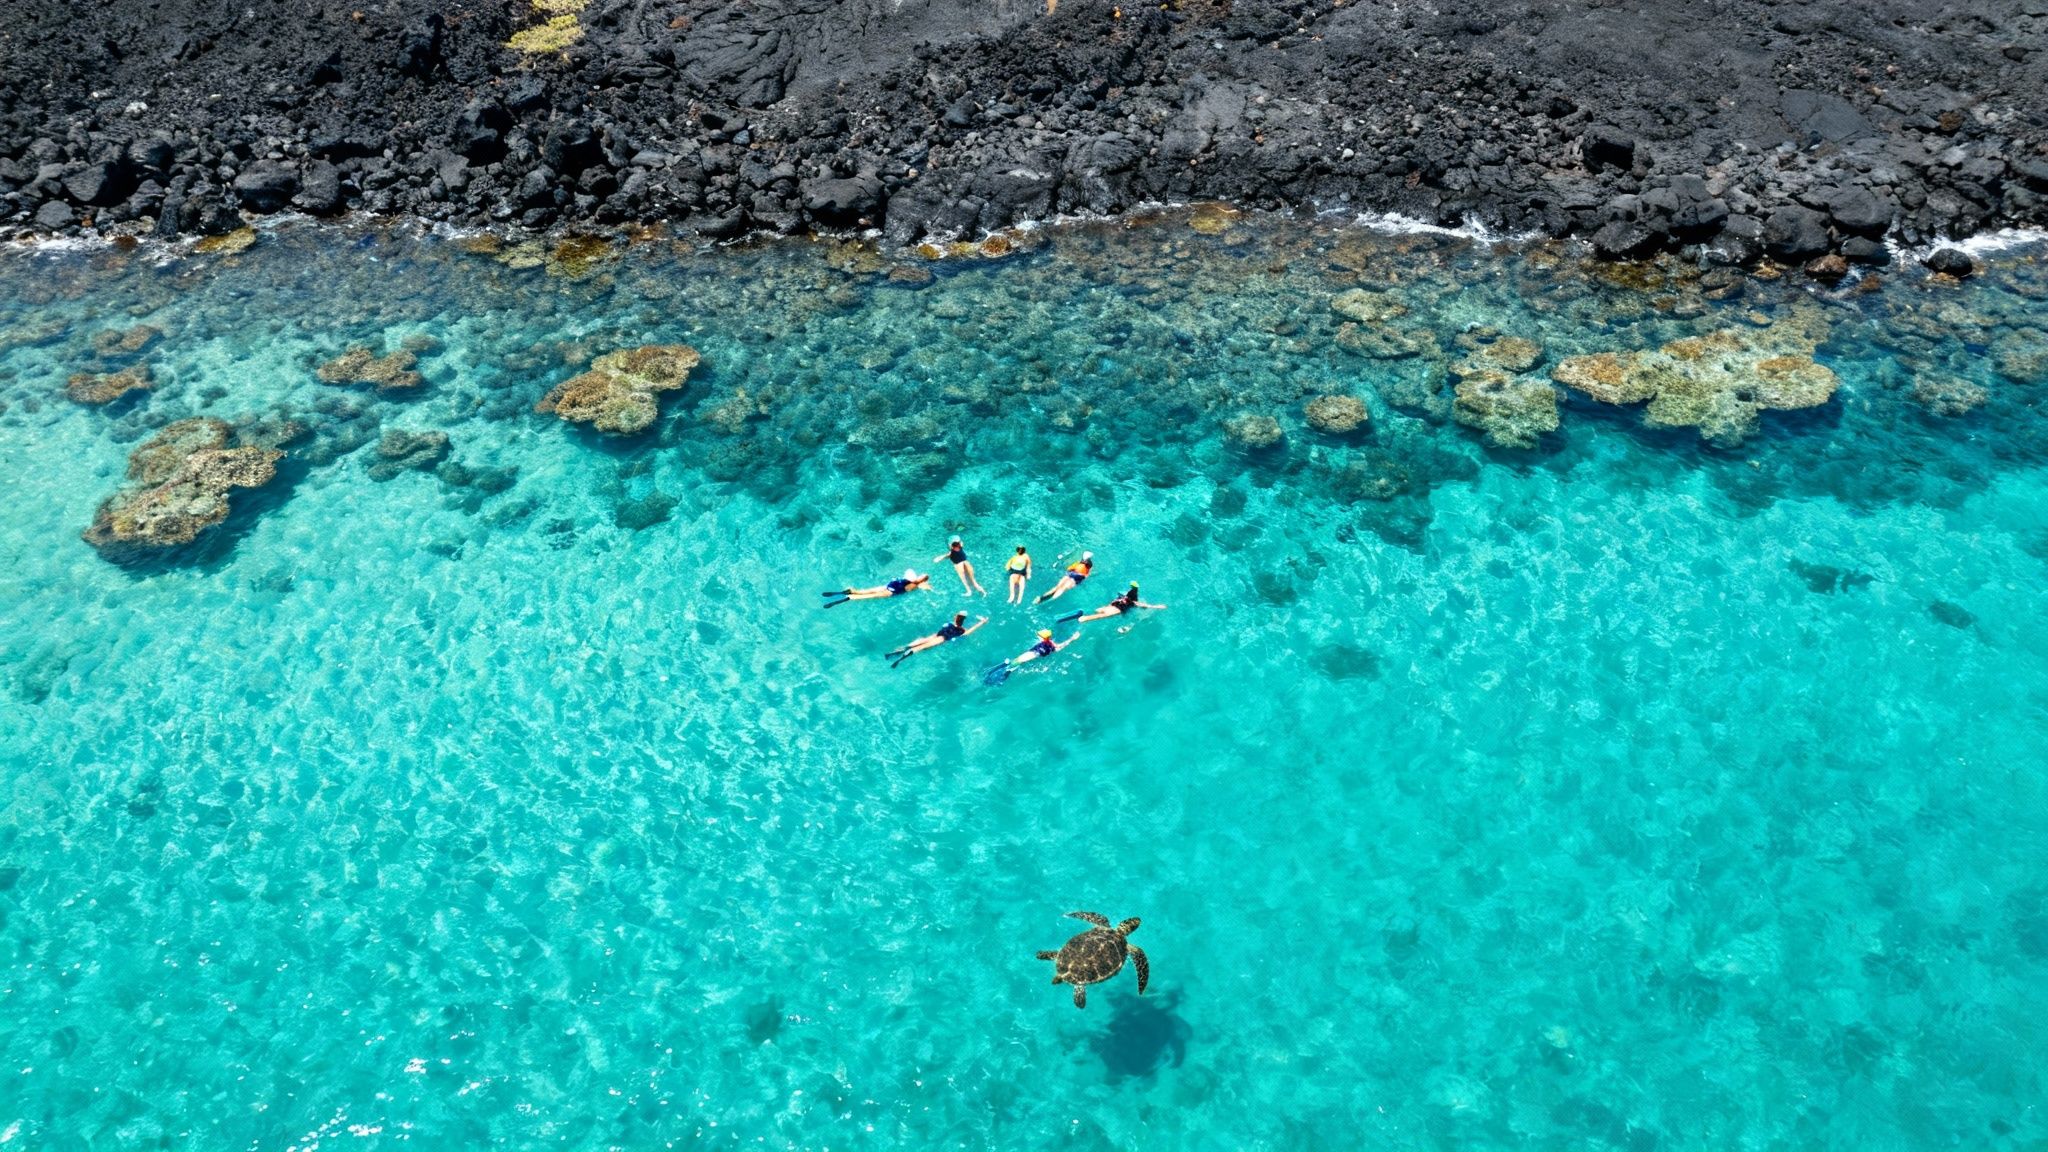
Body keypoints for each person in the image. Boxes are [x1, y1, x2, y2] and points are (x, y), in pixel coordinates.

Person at [887, 612, 987, 667]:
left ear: (956, 617)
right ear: (963, 621)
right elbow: (971, 631)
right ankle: (900, 660)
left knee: (917, 642)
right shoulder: (962, 630)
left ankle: (896, 652)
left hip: (936, 635)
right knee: (921, 648)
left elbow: (956, 618)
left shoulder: (951, 623)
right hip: (941, 639)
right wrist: (982, 622)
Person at [985, 628, 1078, 684]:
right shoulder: (1050, 644)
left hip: (1023, 659)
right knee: (1011, 667)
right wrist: (1071, 639)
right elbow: (1059, 647)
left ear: (1043, 638)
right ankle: (1001, 677)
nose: (1038, 636)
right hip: (1032, 656)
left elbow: (1027, 656)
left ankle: (997, 679)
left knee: (1009, 666)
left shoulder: (1045, 644)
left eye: (1039, 635)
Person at [1059, 582, 1167, 624]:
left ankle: (1079, 615)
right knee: (1102, 616)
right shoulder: (1134, 603)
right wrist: (1158, 606)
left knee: (1098, 610)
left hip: (1111, 605)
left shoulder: (1124, 596)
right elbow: (1145, 605)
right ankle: (1085, 618)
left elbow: (1124, 594)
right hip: (1116, 609)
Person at [821, 570, 932, 608]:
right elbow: (926, 587)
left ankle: (843, 592)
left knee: (864, 591)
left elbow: (908, 571)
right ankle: (846, 598)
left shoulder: (911, 576)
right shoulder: (917, 585)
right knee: (869, 595)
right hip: (891, 591)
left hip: (890, 585)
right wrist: (929, 587)